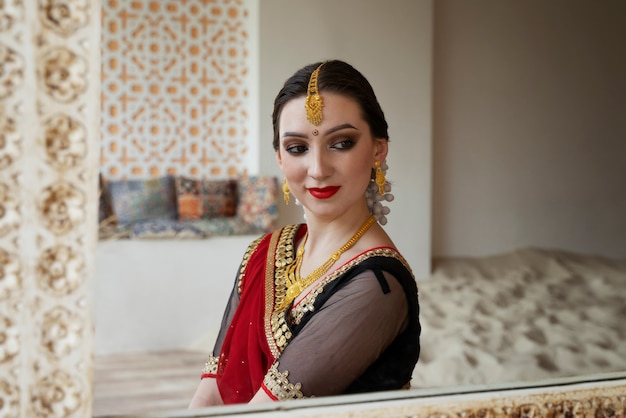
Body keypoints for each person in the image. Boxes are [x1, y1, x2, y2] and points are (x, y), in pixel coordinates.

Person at [189, 60, 420, 407]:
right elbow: (209, 394)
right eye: (298, 148)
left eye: (341, 143)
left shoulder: (376, 286)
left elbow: (264, 415)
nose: (318, 169)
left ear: (378, 149)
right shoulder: (263, 252)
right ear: (280, 158)